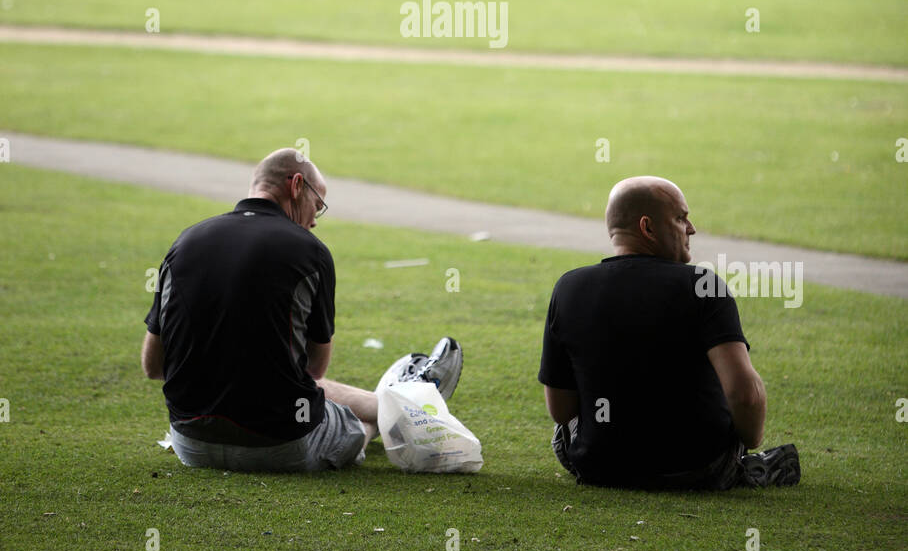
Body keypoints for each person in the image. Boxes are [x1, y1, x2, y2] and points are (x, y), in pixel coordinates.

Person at [142, 147, 462, 473]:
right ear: (296, 186)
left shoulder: (184, 242)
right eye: (317, 206)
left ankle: (393, 401)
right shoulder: (310, 252)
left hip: (191, 445)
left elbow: (152, 366)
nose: (313, 221)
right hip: (281, 446)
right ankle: (399, 407)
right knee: (352, 426)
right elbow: (314, 370)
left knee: (280, 378)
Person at [538, 175, 800, 490]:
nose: (691, 228)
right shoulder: (704, 286)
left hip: (600, 467)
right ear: (647, 227)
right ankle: (748, 468)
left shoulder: (568, 287)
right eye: (680, 218)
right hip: (698, 468)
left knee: (564, 433)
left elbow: (561, 410)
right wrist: (748, 442)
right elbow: (746, 395)